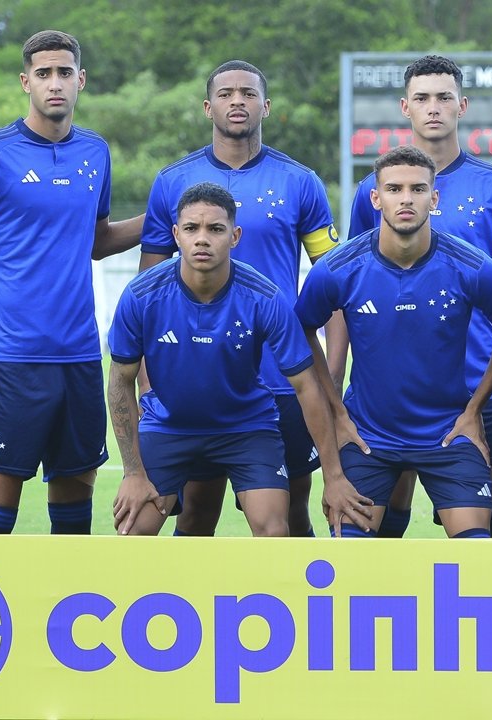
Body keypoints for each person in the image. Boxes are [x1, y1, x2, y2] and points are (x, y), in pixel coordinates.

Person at [0, 30, 142, 535]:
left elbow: (96, 240)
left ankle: (62, 613)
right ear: (25, 81)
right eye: (44, 74)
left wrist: (165, 218)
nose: (55, 84)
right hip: (12, 362)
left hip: (79, 360)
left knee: (73, 516)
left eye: (64, 73)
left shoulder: (95, 152)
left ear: (81, 81)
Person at [138, 60, 341, 538]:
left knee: (292, 513)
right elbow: (147, 291)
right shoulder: (171, 182)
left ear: (265, 107)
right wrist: (149, 384)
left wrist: (330, 378)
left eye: (248, 94)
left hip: (282, 379)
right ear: (208, 107)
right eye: (226, 94)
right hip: (193, 377)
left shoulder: (301, 182)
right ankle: (184, 612)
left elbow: (331, 288)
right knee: (195, 513)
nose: (237, 102)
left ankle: (296, 609)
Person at [346, 54, 492, 538]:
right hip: (389, 383)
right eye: (423, 98)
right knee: (385, 506)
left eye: (444, 98)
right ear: (405, 107)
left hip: (478, 382)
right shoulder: (376, 188)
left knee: (490, 514)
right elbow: (349, 286)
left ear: (462, 105)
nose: (434, 108)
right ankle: (384, 609)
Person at [108, 183, 354, 537]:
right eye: (191, 229)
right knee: (135, 532)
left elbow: (306, 387)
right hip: (169, 427)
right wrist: (133, 473)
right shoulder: (142, 295)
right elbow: (119, 382)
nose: (202, 239)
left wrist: (333, 477)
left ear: (235, 236)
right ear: (176, 235)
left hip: (246, 427)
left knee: (274, 531)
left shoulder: (264, 297)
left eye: (216, 229)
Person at [295, 146, 492, 538]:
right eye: (394, 189)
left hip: (448, 432)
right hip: (367, 436)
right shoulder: (337, 270)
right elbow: (302, 331)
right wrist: (338, 414)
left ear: (434, 198)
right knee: (352, 563)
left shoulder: (473, 267)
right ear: (376, 198)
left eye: (417, 189)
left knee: (479, 556)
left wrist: (474, 409)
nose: (406, 199)